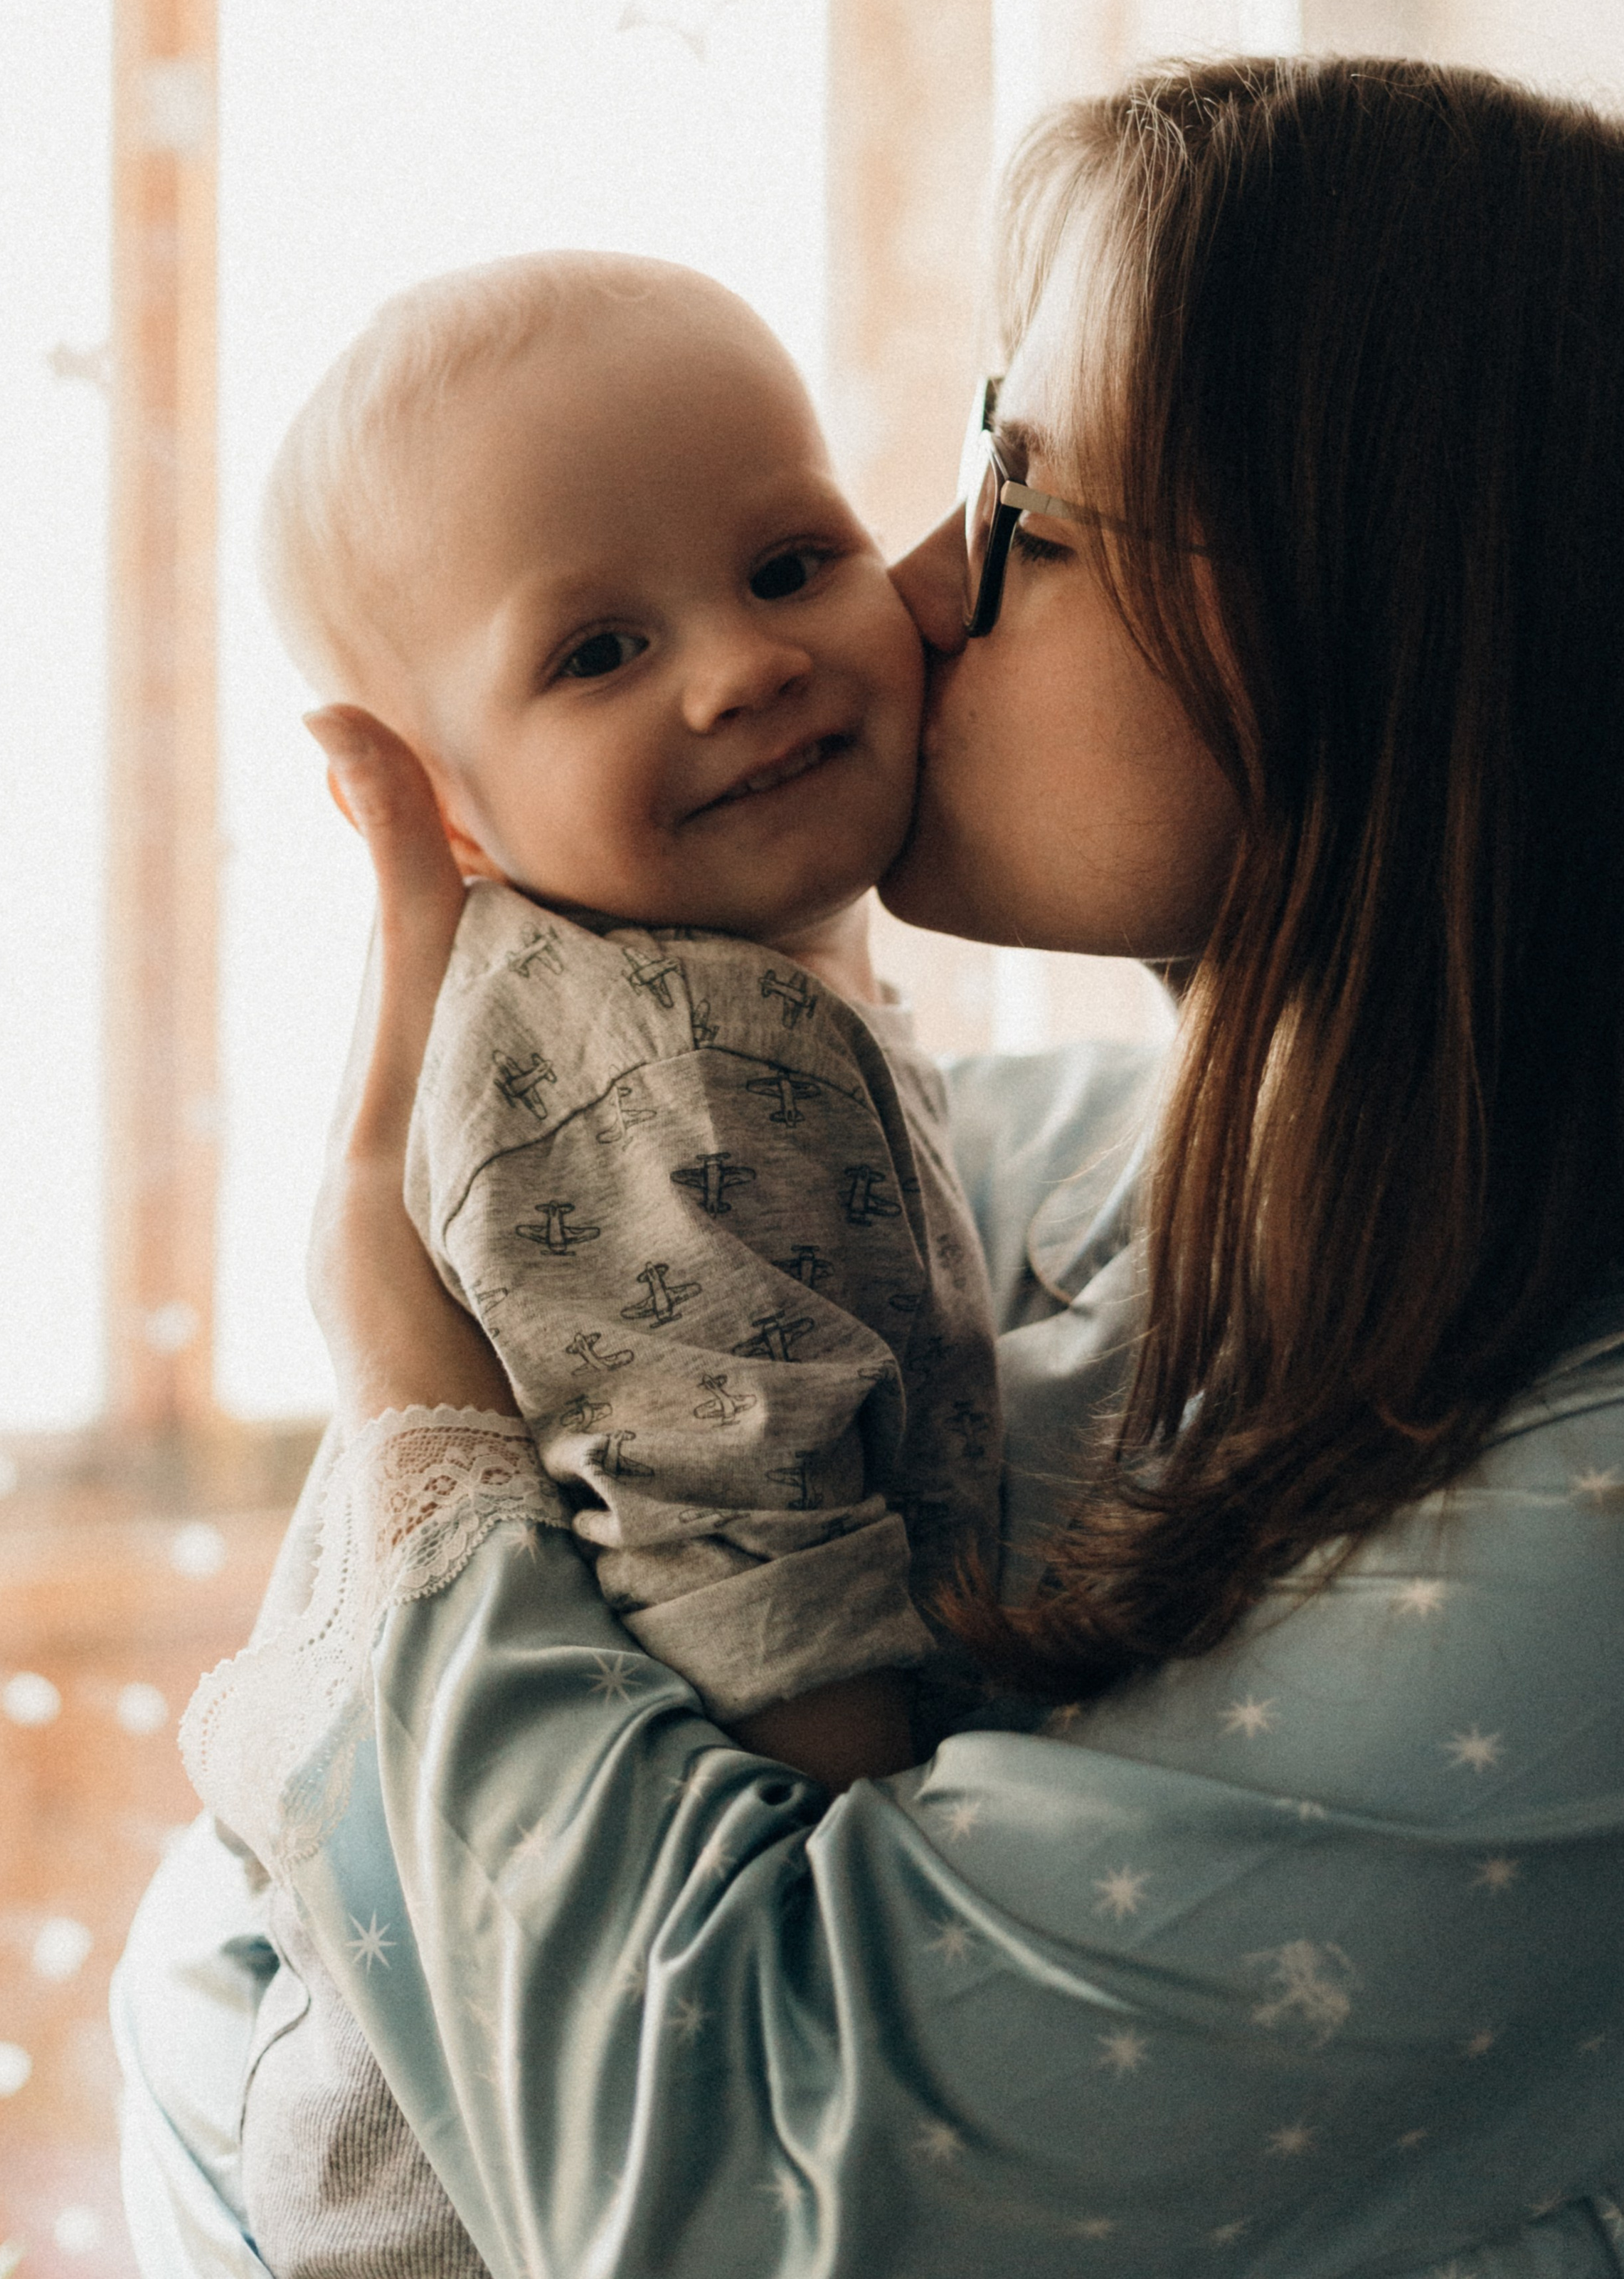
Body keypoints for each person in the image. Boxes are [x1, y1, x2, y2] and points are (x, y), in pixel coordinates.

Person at [116, 57, 1624, 2277]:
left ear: (1400, 641)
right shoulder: (1100, 1170)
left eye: (1028, 508)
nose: (909, 591)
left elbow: (734, 2205)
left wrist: (399, 1363)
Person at [189, 253, 1004, 2276]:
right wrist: (911, 1911)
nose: (743, 668)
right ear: (444, 813)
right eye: (602, 649)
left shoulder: (748, 992)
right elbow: (741, 1590)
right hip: (485, 2152)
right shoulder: (664, 1066)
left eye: (794, 559)